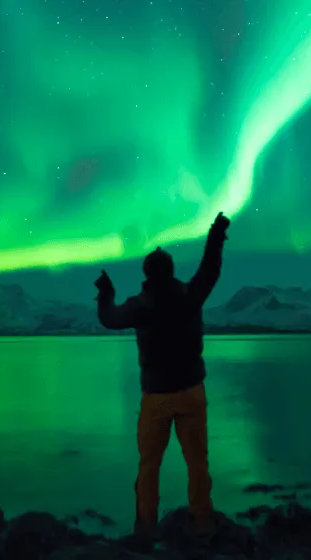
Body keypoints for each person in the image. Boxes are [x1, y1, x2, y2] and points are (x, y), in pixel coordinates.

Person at [95, 211, 231, 538]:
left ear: (147, 273)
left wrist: (105, 293)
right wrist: (216, 233)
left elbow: (109, 319)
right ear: (170, 271)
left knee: (149, 465)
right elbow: (211, 269)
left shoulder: (140, 305)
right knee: (198, 464)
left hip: (156, 397)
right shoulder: (189, 295)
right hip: (191, 392)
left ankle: (146, 528)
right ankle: (202, 524)